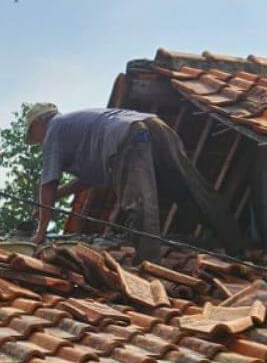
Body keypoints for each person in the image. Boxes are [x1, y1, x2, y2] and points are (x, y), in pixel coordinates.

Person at [25, 103, 244, 261]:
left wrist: (40, 232)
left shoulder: (54, 129)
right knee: (190, 189)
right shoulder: (76, 126)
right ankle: (237, 244)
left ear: (39, 122)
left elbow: (48, 185)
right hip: (154, 126)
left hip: (128, 137)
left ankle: (148, 267)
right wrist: (57, 196)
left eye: (34, 135)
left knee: (140, 204)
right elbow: (87, 179)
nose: (37, 142)